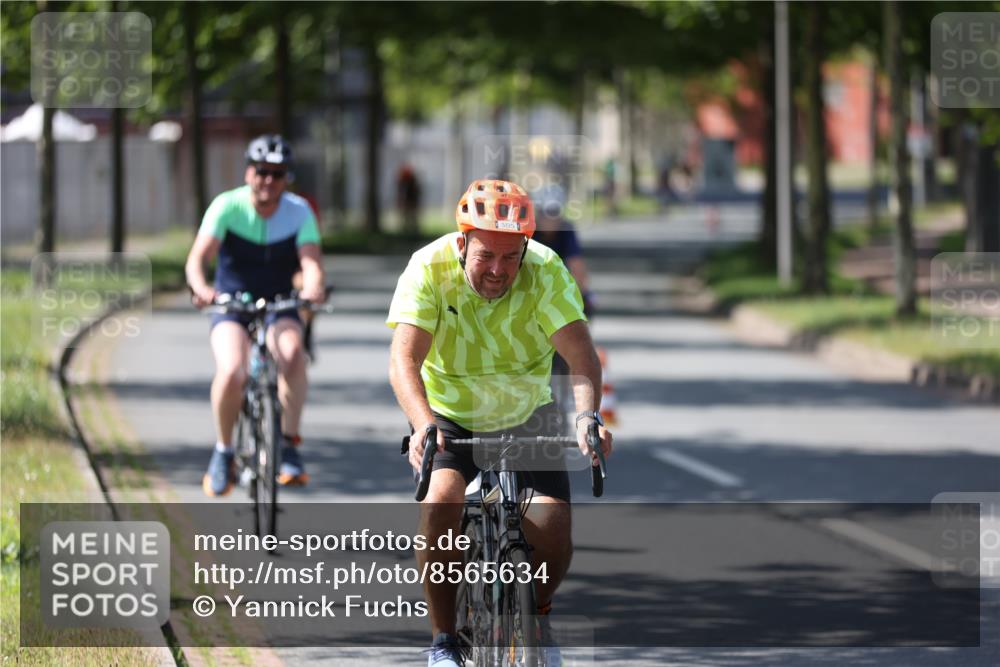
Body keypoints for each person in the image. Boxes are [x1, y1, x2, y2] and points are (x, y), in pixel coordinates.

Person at [387, 179, 613, 667]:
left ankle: (538, 613)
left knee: (552, 525)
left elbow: (581, 357)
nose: (498, 270)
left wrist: (585, 416)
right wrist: (423, 424)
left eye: (511, 257)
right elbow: (404, 359)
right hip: (449, 411)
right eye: (486, 255)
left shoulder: (546, 270)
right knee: (441, 501)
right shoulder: (429, 267)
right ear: (463, 241)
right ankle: (444, 639)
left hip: (526, 413)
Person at [185, 134, 325, 497]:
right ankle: (223, 451)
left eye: (277, 174)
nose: (268, 180)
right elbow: (198, 258)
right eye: (261, 171)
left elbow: (311, 262)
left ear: (286, 178)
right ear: (249, 172)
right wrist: (201, 287)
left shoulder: (299, 211)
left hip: (280, 301)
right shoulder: (226, 207)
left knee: (292, 354)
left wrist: (312, 288)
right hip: (231, 302)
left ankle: (289, 443)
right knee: (233, 369)